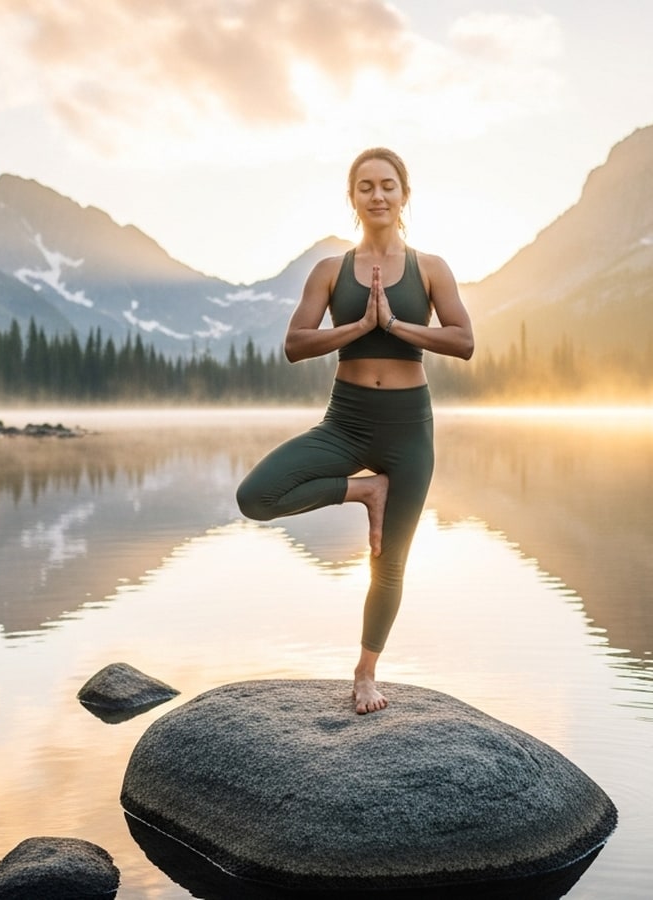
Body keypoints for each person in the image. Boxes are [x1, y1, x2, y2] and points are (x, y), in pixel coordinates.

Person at [236, 147, 474, 714]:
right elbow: (295, 345)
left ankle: (366, 672)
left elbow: (464, 341)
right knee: (256, 497)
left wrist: (394, 324)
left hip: (408, 429)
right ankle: (364, 489)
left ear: (404, 194)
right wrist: (360, 326)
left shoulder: (432, 268)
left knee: (389, 560)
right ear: (353, 198)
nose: (378, 195)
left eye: (388, 185)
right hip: (346, 421)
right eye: (365, 186)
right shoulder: (330, 272)